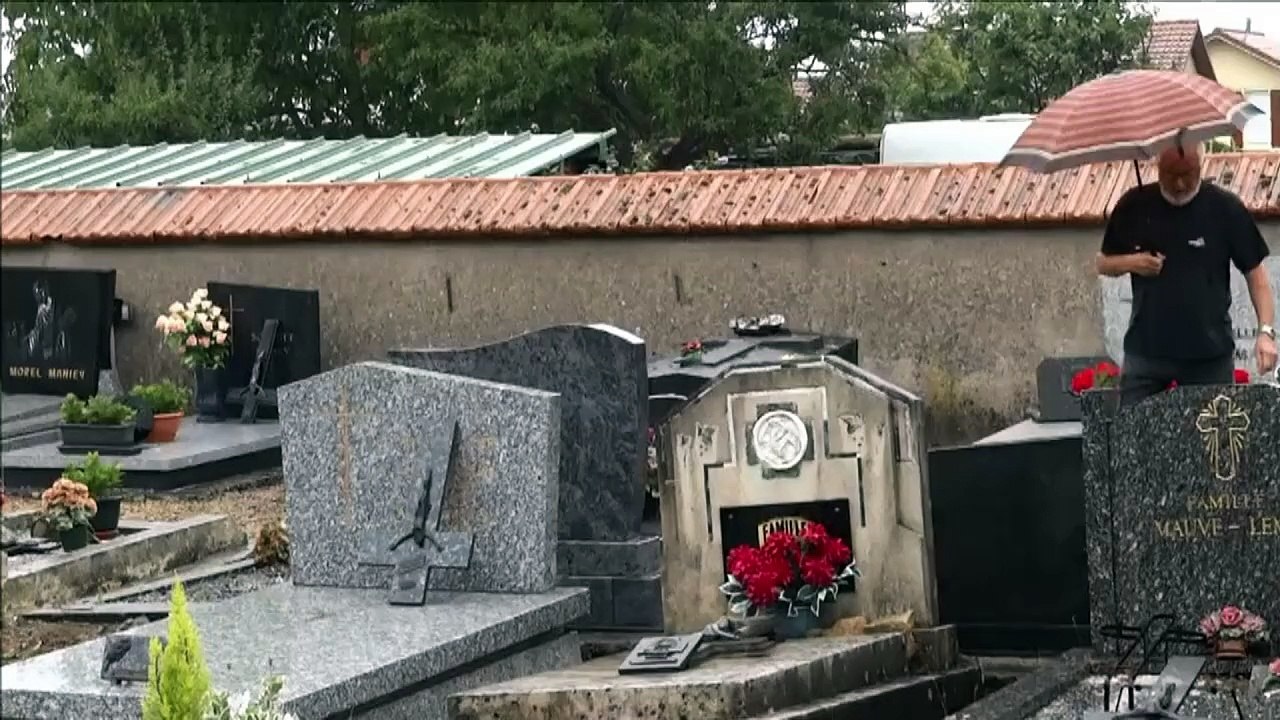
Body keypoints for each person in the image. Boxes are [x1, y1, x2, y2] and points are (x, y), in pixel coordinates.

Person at [1097, 142, 1276, 406]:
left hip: (1209, 355)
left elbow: (1257, 276)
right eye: (1171, 175)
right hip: (1147, 354)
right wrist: (1133, 262)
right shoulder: (1134, 205)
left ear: (1201, 165)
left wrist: (1266, 332)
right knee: (1134, 440)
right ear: (1157, 166)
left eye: (1188, 174)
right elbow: (1103, 263)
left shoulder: (1225, 209)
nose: (1180, 184)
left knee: (1213, 442)